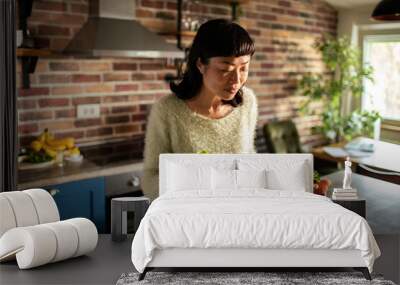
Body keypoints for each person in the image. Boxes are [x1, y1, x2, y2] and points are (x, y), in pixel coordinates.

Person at [142, 19, 258, 201]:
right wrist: (189, 200)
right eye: (225, 69)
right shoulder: (167, 110)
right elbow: (151, 176)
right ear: (200, 64)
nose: (236, 80)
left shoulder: (247, 102)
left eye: (244, 68)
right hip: (189, 216)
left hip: (240, 212)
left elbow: (250, 158)